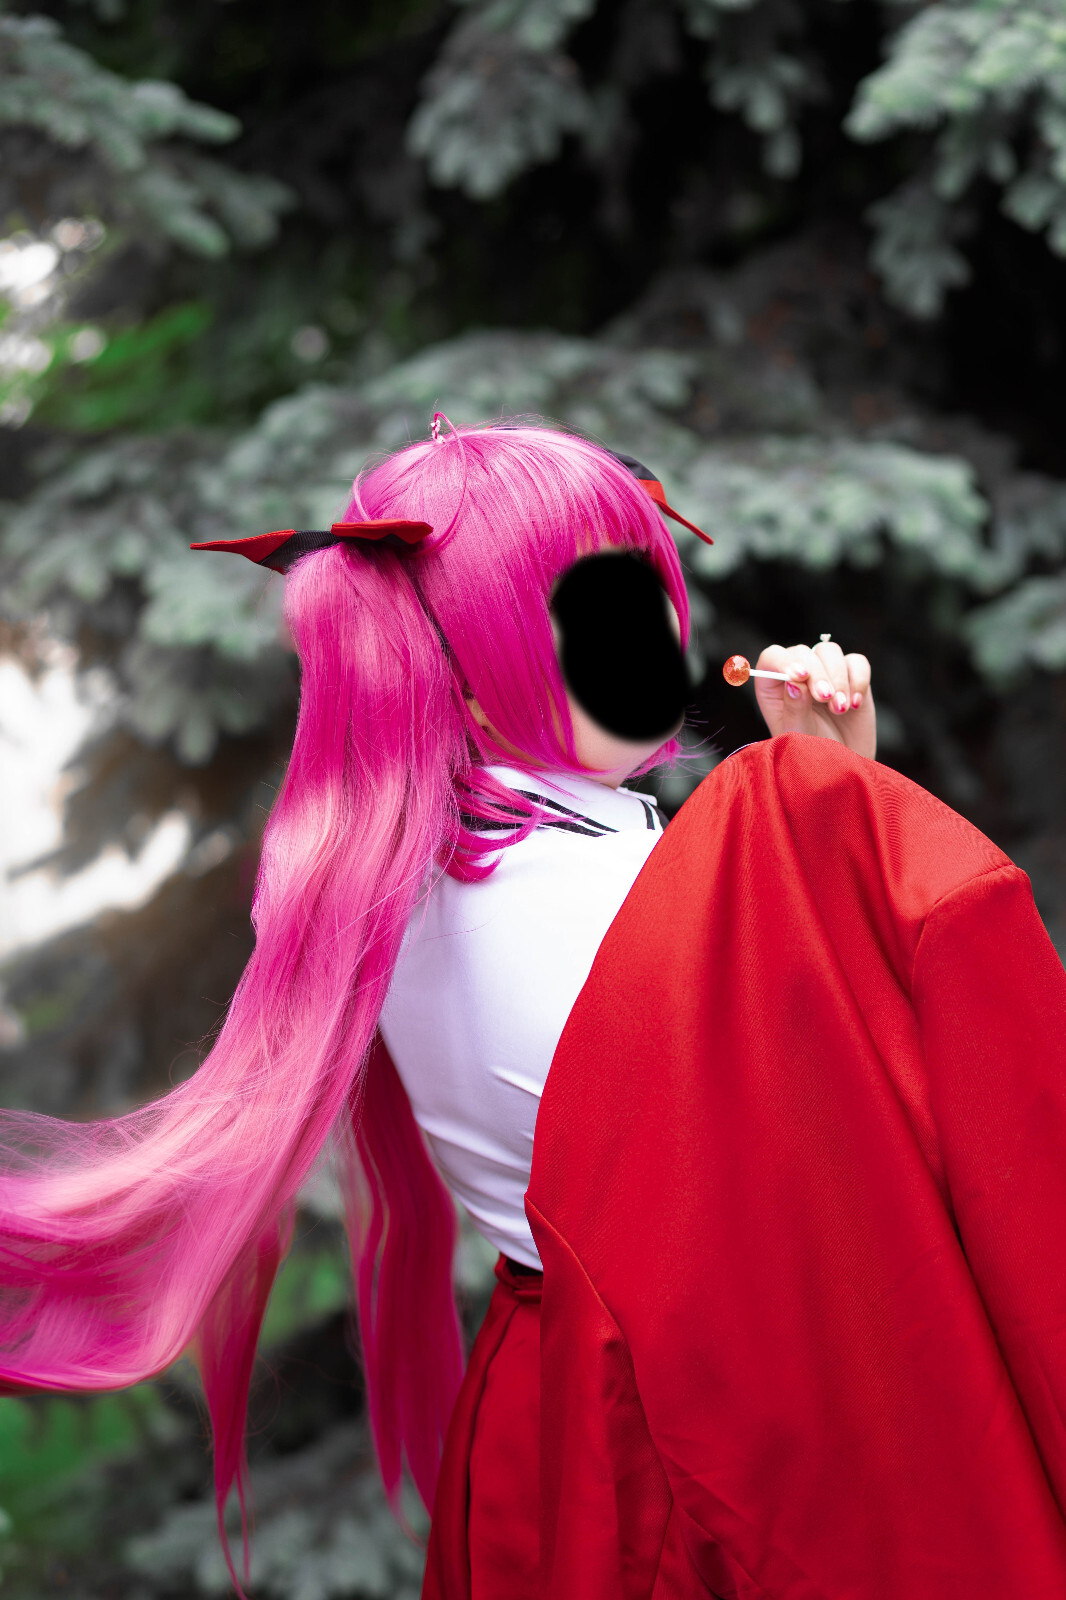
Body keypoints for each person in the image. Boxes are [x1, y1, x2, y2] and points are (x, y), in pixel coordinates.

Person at [1, 421, 1063, 1600]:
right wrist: (834, 811)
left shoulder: (392, 888)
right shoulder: (636, 878)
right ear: (465, 656)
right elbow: (894, 1153)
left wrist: (828, 804)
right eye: (596, 612)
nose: (647, 641)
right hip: (718, 1440)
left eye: (646, 593)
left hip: (555, 1415)